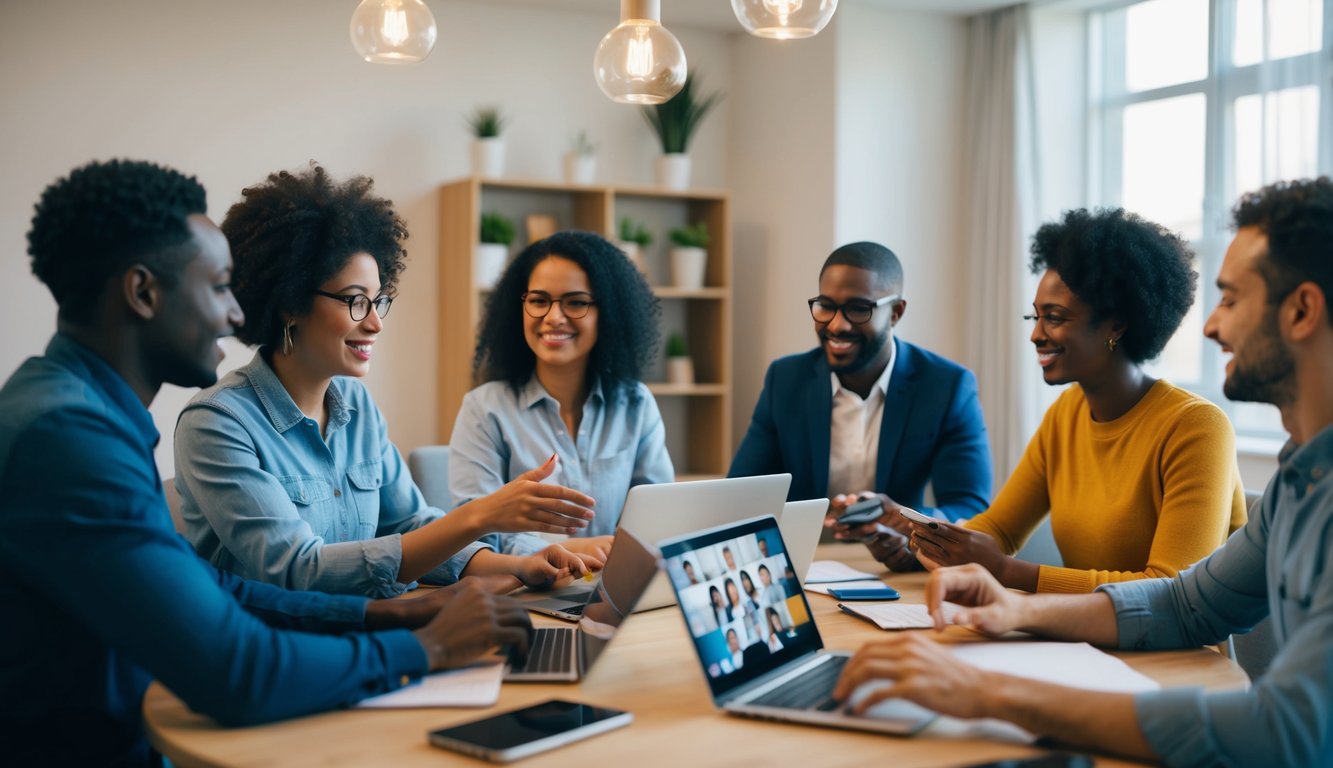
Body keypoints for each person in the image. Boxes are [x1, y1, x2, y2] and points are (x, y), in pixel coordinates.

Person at [0, 159, 533, 766]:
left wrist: (385, 612)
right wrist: (427, 648)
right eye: (220, 286)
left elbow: (211, 585)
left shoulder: (76, 409)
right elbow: (238, 671)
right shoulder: (69, 439)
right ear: (143, 292)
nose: (235, 315)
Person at [834, 178, 1333, 765]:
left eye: (1230, 299)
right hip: (1111, 667)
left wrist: (990, 684)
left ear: (1301, 310)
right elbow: (1183, 603)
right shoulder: (1299, 482)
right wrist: (1007, 601)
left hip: (1175, 685)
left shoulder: (1198, 427)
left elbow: (1288, 730)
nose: (1210, 326)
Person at [174, 165, 598, 598]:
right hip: (277, 654)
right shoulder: (217, 424)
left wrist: (520, 565)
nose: (375, 323)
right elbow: (298, 570)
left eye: (378, 301)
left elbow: (409, 523)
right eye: (356, 301)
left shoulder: (357, 408)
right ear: (290, 302)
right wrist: (481, 516)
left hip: (376, 632)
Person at [902, 208, 1247, 592]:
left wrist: (1006, 571)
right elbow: (998, 529)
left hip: (1176, 652)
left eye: (1055, 317)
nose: (1036, 334)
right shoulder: (1067, 414)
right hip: (1081, 641)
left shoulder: (1196, 427)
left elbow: (1170, 588)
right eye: (1033, 317)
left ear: (1116, 324)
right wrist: (929, 540)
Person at [728, 241, 993, 569]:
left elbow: (970, 507)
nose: (837, 325)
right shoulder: (786, 380)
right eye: (826, 306)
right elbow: (741, 496)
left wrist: (911, 527)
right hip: (803, 565)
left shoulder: (946, 386)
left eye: (858, 308)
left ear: (895, 312)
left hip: (897, 573)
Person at [450, 230, 672, 558]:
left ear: (607, 314)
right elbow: (474, 535)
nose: (554, 317)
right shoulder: (484, 410)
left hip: (614, 592)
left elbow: (659, 516)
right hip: (521, 593)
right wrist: (567, 548)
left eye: (576, 302)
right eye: (539, 301)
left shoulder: (635, 404)